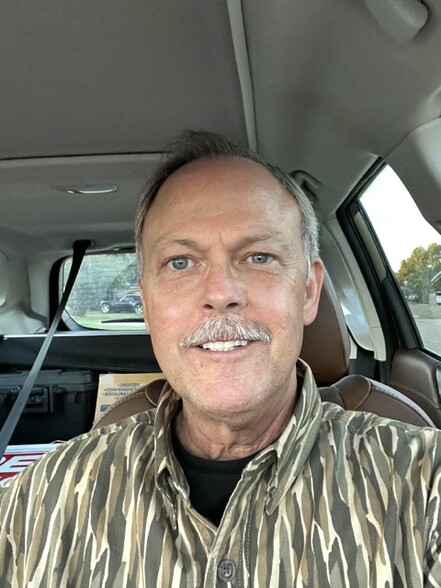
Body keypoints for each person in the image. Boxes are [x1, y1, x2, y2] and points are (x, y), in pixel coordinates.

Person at [0, 131, 440, 588]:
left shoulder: (422, 482)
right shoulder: (44, 498)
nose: (221, 293)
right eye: (180, 262)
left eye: (258, 256)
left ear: (308, 292)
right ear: (146, 304)